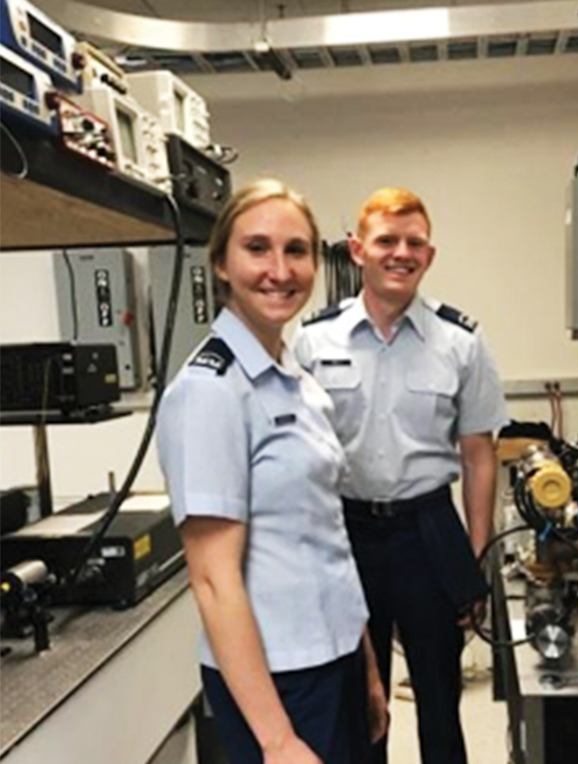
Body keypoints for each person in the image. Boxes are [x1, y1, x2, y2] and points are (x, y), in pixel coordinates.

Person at [156, 178, 388, 764]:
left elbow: (324, 537)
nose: (279, 270)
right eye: (257, 248)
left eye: (296, 250)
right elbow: (212, 580)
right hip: (277, 681)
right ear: (221, 264)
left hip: (331, 662)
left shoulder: (296, 377)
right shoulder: (210, 391)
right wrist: (277, 739)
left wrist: (363, 665)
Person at [293, 187, 506, 764]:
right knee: (360, 703)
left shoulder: (460, 341)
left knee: (441, 702)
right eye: (387, 240)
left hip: (427, 530)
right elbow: (299, 455)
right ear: (357, 250)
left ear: (429, 256)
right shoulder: (314, 340)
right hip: (346, 534)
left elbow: (478, 453)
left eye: (414, 242)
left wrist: (476, 553)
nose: (401, 253)